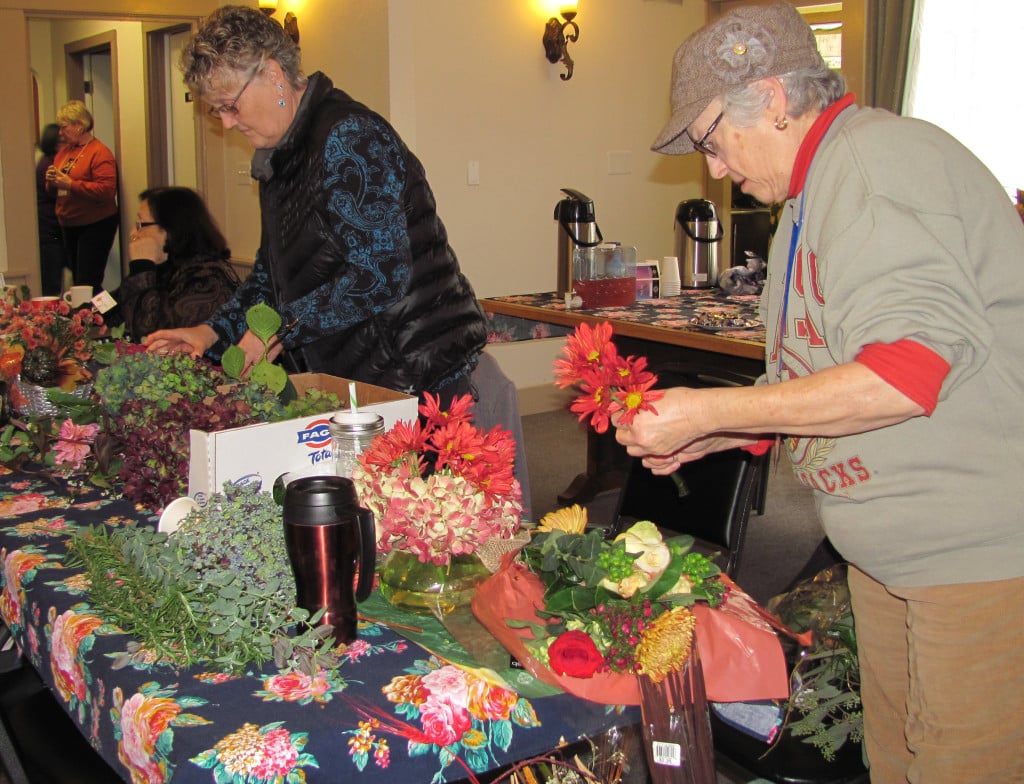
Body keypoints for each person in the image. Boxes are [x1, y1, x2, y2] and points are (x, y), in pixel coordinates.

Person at [616, 5, 1024, 783]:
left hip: (974, 555)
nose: (712, 169)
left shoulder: (874, 169)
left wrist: (712, 408)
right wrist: (724, 434)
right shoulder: (813, 195)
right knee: (899, 759)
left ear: (770, 98)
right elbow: (814, 375)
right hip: (894, 550)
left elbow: (904, 372)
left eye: (709, 139)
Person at [144, 5, 487, 409]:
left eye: (230, 105)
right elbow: (271, 280)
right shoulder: (283, 157)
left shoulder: (349, 138)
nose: (226, 124)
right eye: (215, 111)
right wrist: (210, 332)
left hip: (413, 371)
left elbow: (380, 274)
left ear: (272, 75)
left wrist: (280, 328)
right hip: (362, 372)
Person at [107, 187, 240, 342]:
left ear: (170, 229)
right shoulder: (165, 267)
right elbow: (116, 304)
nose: (132, 233)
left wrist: (141, 267)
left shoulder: (207, 278)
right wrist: (85, 314)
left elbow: (149, 335)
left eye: (140, 225)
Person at [46, 100, 119, 295]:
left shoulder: (99, 153)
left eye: (64, 127)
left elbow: (106, 191)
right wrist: (52, 182)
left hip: (95, 223)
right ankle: (97, 317)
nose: (60, 133)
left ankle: (110, 316)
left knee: (88, 283)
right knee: (79, 281)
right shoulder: (64, 153)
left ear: (79, 125)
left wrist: (70, 184)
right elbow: (54, 190)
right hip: (69, 223)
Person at [35, 123, 69, 296]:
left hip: (54, 231)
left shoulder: (51, 162)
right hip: (50, 232)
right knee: (52, 284)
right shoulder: (48, 166)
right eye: (63, 141)